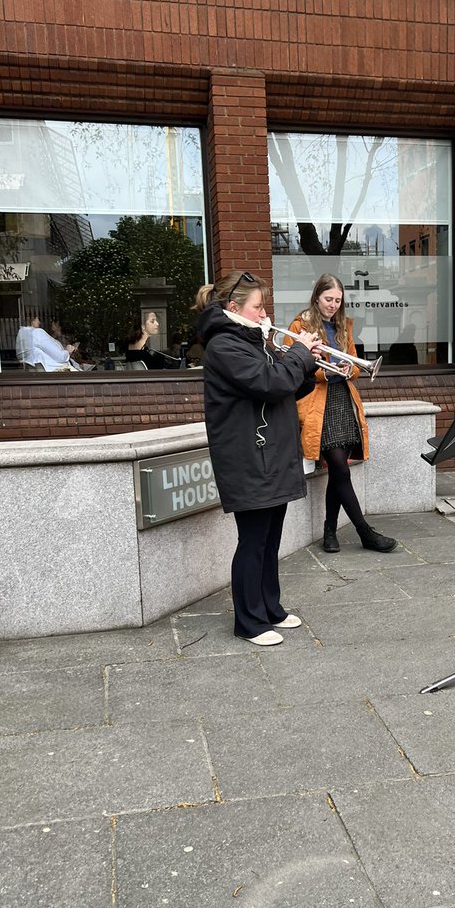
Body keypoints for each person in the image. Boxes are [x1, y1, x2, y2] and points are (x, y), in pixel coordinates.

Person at [194, 271, 320, 647]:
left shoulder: (253, 341)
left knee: (270, 538)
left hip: (271, 453)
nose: (265, 313)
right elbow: (270, 383)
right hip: (248, 456)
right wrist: (297, 353)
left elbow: (286, 386)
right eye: (258, 306)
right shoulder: (224, 346)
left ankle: (270, 607)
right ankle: (248, 621)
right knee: (253, 540)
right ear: (234, 308)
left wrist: (307, 363)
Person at [288, 274, 397, 553]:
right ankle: (365, 531)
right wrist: (325, 371)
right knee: (340, 467)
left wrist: (351, 369)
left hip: (343, 400)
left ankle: (329, 532)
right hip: (318, 404)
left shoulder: (343, 326)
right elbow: (294, 367)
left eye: (338, 300)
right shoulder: (300, 325)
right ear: (316, 297)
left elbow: (356, 363)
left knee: (338, 472)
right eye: (328, 299)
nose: (333, 305)